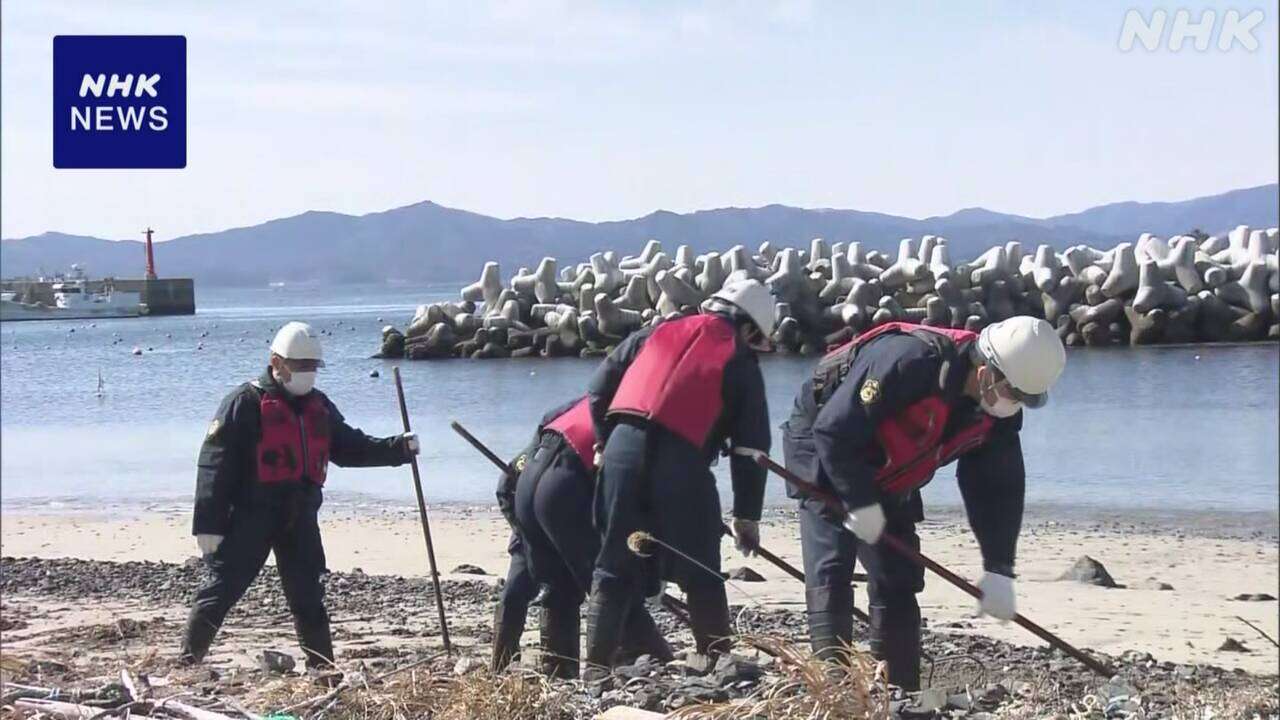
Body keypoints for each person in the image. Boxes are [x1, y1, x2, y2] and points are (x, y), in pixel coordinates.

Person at [781, 316, 1066, 690]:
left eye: (1027, 400)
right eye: (1015, 394)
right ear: (986, 372)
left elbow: (998, 490)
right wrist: (860, 504)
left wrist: (999, 568)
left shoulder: (998, 415)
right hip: (826, 442)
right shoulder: (909, 361)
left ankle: (898, 690)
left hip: (892, 463)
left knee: (898, 572)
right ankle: (833, 688)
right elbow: (835, 432)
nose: (1016, 406)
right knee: (833, 565)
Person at [181, 321, 419, 671]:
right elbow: (214, 465)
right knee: (220, 590)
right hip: (250, 517)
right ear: (276, 363)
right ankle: (187, 663)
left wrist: (397, 449)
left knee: (309, 597)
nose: (307, 374)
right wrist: (208, 524)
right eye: (300, 366)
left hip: (300, 518)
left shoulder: (319, 406)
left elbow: (350, 447)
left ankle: (323, 670)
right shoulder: (243, 403)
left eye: (312, 367)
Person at [582, 279, 776, 678]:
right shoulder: (739, 358)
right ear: (751, 329)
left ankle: (595, 668)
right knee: (701, 567)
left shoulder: (654, 332)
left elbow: (598, 389)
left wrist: (605, 442)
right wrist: (746, 518)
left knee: (613, 563)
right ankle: (716, 660)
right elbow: (750, 449)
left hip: (621, 450)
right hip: (682, 460)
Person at [491, 397, 671, 678]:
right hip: (556, 488)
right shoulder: (644, 423)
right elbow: (637, 513)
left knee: (556, 586)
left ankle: (557, 672)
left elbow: (511, 479)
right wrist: (649, 581)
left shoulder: (567, 410)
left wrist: (530, 534)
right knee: (614, 584)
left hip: (529, 488)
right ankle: (644, 665)